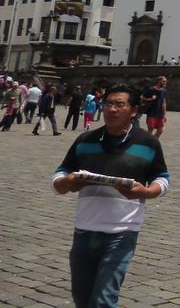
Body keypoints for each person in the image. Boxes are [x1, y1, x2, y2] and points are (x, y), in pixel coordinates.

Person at [52, 84, 170, 308]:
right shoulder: (85, 140)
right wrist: (67, 182)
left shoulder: (148, 142)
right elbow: (61, 175)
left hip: (121, 234)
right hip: (84, 231)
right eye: (108, 104)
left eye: (120, 104)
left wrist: (145, 192)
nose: (112, 109)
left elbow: (162, 178)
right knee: (83, 299)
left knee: (103, 300)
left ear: (133, 110)